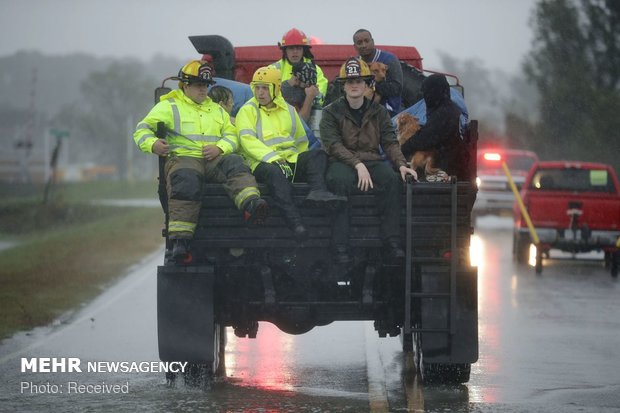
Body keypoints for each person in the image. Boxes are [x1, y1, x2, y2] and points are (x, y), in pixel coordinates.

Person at [134, 60, 268, 261]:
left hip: (213, 159)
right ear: (185, 85)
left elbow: (232, 135)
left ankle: (252, 206)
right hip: (183, 159)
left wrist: (220, 148)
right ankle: (181, 242)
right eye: (198, 85)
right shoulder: (168, 106)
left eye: (206, 85)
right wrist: (153, 144)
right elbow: (142, 130)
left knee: (235, 163)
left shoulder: (216, 110)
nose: (204, 90)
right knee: (186, 180)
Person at [320, 57, 417, 263]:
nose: (354, 85)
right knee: (338, 181)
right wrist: (357, 164)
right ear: (343, 86)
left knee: (391, 180)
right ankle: (340, 247)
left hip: (371, 159)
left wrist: (401, 165)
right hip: (342, 161)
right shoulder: (330, 112)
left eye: (359, 81)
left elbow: (390, 142)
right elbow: (333, 145)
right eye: (350, 81)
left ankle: (391, 242)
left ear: (367, 84)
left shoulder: (379, 111)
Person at [236, 66, 346, 242]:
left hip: (289, 160)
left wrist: (302, 162)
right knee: (275, 174)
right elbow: (247, 141)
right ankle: (295, 223)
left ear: (276, 88)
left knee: (317, 155)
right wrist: (274, 159)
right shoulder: (247, 111)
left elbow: (302, 141)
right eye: (257, 87)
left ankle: (318, 192)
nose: (260, 93)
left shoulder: (288, 109)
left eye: (265, 87)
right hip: (262, 163)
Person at [399, 74, 470, 182]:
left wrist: (400, 150)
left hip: (445, 166)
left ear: (434, 91)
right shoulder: (446, 108)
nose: (425, 96)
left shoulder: (444, 113)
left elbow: (425, 138)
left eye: (426, 92)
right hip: (448, 163)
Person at [353, 28, 403, 116]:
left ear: (373, 41)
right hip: (361, 113)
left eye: (367, 41)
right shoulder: (354, 63)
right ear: (355, 46)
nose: (364, 45)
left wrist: (373, 87)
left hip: (388, 112)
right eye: (359, 43)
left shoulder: (389, 59)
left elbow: (397, 88)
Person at [272, 28, 328, 106]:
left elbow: (319, 99)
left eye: (298, 48)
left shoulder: (315, 69)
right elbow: (269, 96)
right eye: (291, 48)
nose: (295, 51)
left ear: (304, 50)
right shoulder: (273, 69)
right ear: (285, 51)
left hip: (308, 113)